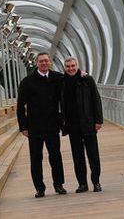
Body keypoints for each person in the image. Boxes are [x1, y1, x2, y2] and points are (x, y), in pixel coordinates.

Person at [17, 52, 67, 198]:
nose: (44, 63)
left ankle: (59, 185)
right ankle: (40, 188)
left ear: (49, 61)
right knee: (36, 158)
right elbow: (20, 106)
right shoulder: (27, 82)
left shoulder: (58, 78)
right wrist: (23, 127)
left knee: (55, 156)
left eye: (46, 61)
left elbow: (72, 79)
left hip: (52, 125)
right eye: (41, 61)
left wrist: (84, 74)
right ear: (36, 63)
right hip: (34, 127)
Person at [61, 57, 103, 193]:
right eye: (68, 66)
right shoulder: (62, 82)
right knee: (77, 156)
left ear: (77, 66)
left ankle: (96, 182)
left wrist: (98, 120)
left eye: (73, 66)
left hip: (88, 123)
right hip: (72, 126)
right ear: (64, 68)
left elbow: (96, 100)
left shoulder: (87, 79)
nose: (70, 68)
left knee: (93, 155)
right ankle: (82, 184)